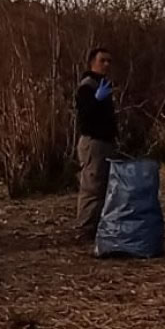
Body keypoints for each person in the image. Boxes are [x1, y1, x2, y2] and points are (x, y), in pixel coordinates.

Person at [74, 47, 117, 240]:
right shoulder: (87, 86)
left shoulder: (103, 84)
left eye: (109, 61)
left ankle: (97, 227)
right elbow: (84, 115)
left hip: (105, 141)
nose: (106, 64)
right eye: (102, 61)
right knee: (92, 186)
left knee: (102, 187)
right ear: (92, 63)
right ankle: (85, 229)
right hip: (93, 141)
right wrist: (96, 100)